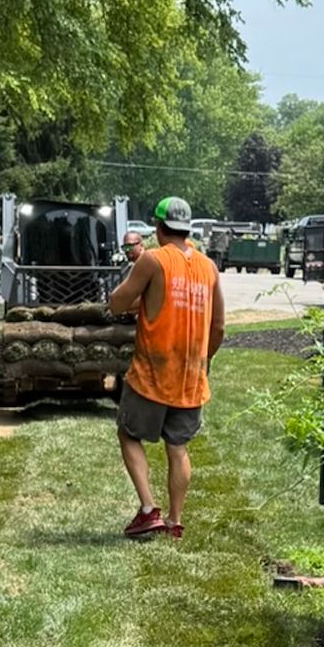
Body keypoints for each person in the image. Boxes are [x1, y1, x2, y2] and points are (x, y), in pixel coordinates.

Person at [108, 196, 224, 541]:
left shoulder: (152, 260)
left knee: (128, 433)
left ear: (157, 228)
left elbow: (117, 302)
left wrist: (138, 299)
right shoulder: (209, 268)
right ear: (187, 230)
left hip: (152, 374)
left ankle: (148, 511)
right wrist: (205, 362)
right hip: (191, 376)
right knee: (178, 447)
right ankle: (174, 521)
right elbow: (218, 328)